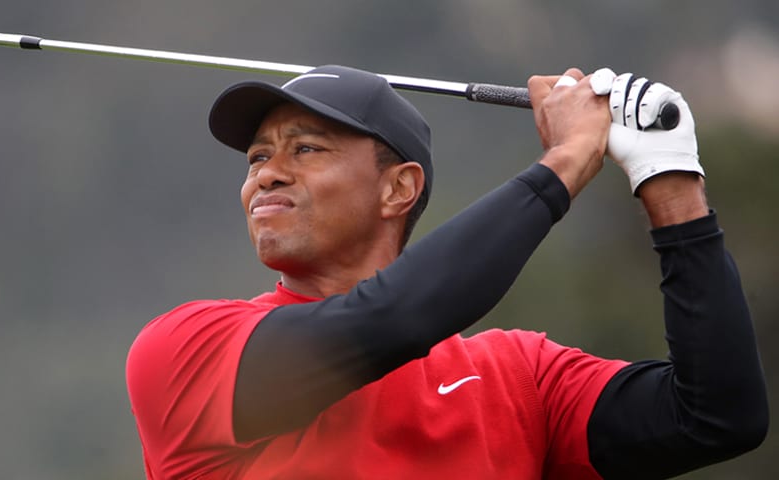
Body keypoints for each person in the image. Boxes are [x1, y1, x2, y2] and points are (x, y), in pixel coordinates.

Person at [125, 64, 768, 479]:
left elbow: (716, 418)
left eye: (306, 148)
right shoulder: (185, 349)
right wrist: (568, 161)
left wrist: (670, 180)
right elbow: (392, 320)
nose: (265, 172)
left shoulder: (522, 378)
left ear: (398, 189)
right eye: (257, 157)